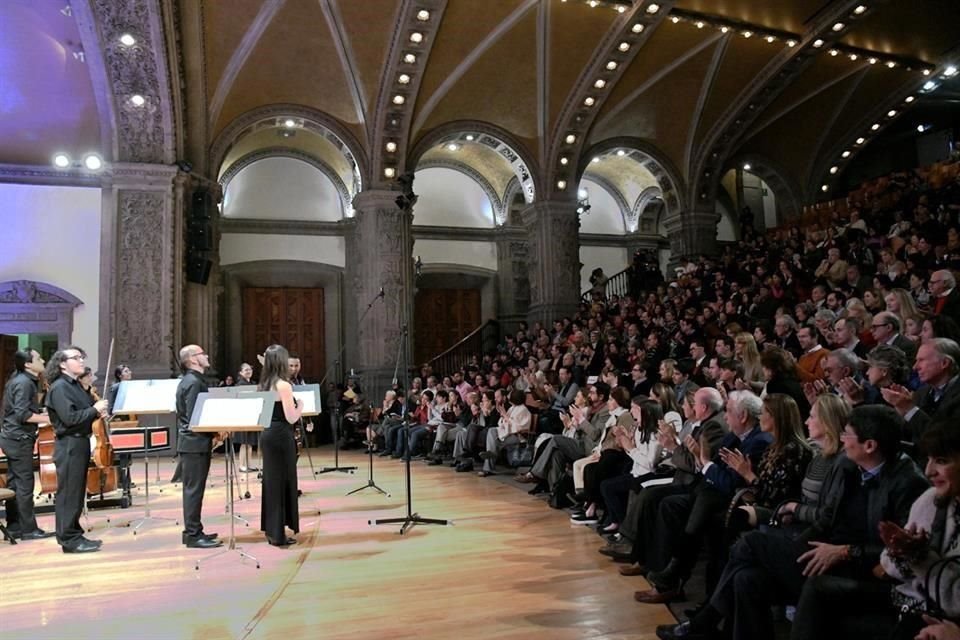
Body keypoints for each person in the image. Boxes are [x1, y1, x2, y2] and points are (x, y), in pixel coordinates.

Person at [44, 347, 108, 553]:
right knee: (69, 494)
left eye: (82, 357)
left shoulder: (77, 386)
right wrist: (94, 410)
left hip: (79, 443)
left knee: (77, 492)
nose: (81, 361)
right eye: (76, 358)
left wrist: (97, 413)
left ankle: (74, 533)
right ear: (63, 364)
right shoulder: (60, 387)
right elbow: (70, 419)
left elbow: (85, 413)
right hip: (69, 444)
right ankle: (69, 540)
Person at [0, 348, 53, 541]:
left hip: (12, 437)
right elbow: (24, 415)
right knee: (24, 485)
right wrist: (50, 419)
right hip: (18, 438)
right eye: (39, 358)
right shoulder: (24, 383)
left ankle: (14, 527)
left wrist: (42, 414)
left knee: (15, 483)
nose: (43, 359)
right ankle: (29, 530)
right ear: (28, 364)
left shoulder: (20, 380)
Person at [176, 344, 222, 549]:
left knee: (194, 489)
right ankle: (193, 534)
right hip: (194, 443)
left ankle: (194, 530)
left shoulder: (192, 380)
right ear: (193, 359)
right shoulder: (193, 381)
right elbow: (197, 415)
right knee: (194, 490)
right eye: (202, 353)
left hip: (195, 442)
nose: (207, 355)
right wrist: (216, 433)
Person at [258, 344, 303, 546]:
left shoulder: (264, 383)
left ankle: (272, 529)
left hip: (267, 434)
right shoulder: (284, 385)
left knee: (271, 482)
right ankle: (278, 535)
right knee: (283, 481)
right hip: (281, 435)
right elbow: (291, 417)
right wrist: (300, 406)